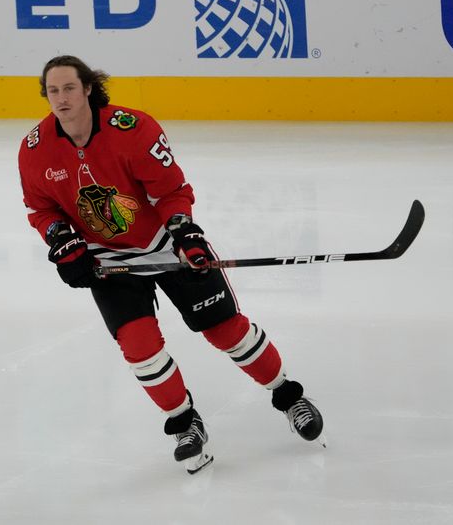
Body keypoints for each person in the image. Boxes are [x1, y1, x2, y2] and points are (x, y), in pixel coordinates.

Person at [18, 55, 324, 474]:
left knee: (227, 331)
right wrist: (63, 242)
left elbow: (172, 192)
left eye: (69, 88)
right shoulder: (34, 149)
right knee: (140, 348)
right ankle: (185, 424)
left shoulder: (134, 129)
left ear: (88, 88)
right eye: (53, 91)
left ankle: (289, 396)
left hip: (163, 243)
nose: (61, 98)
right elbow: (40, 208)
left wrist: (187, 235)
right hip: (107, 260)